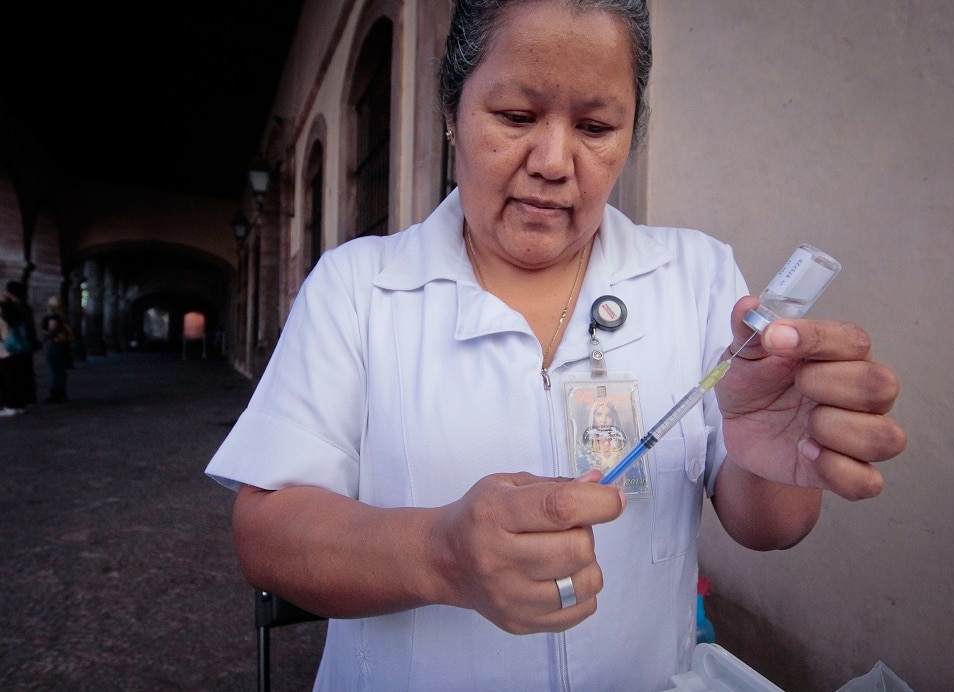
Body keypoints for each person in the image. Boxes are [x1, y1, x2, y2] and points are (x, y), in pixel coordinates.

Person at [206, 1, 907, 688]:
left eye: (596, 126)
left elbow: (770, 528)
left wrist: (772, 457)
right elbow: (269, 533)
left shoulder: (697, 278)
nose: (553, 160)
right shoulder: (359, 287)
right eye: (514, 117)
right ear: (451, 114)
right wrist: (438, 554)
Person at [1, 281, 38, 413]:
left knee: (12, 376)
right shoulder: (24, 306)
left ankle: (14, 404)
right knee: (23, 374)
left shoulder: (15, 307)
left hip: (15, 346)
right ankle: (25, 401)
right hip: (24, 345)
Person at [40, 295, 74, 403]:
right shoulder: (62, 315)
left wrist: (44, 339)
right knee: (60, 370)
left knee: (54, 370)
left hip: (54, 344)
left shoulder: (53, 316)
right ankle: (61, 393)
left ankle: (55, 394)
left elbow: (52, 329)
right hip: (61, 344)